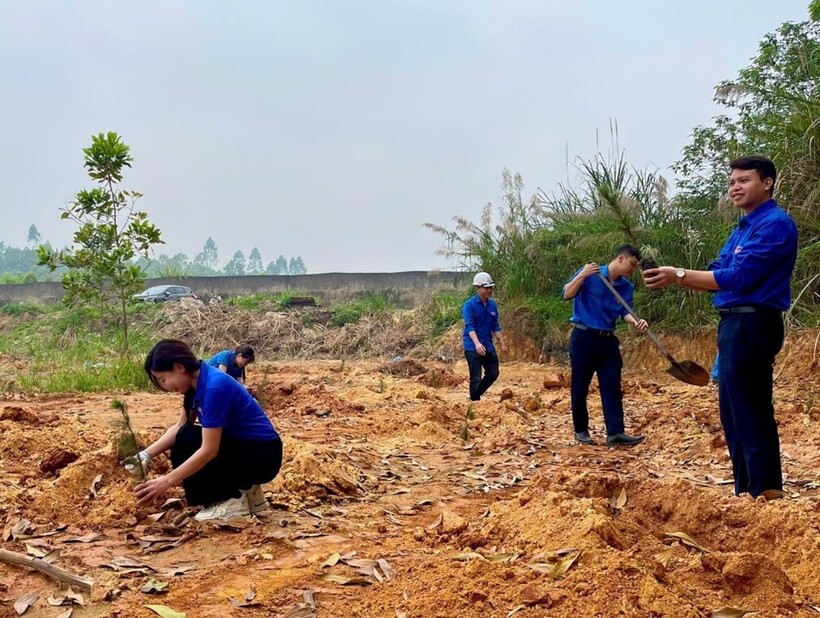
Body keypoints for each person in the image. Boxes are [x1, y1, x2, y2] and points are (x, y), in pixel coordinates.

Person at [643, 155, 797, 499]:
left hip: (753, 322)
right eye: (731, 182)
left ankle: (765, 492)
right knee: (733, 413)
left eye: (744, 180)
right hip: (733, 324)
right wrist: (678, 275)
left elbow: (737, 276)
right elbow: (719, 268)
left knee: (750, 410)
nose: (735, 188)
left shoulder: (775, 224)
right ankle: (747, 493)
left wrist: (679, 275)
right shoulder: (741, 229)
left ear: (767, 183)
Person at [130, 339, 283, 521]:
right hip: (253, 450)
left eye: (164, 379)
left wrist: (166, 481)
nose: (166, 386)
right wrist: (144, 456)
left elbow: (209, 451)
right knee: (185, 435)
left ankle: (228, 501)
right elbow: (179, 427)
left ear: (179, 367)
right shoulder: (197, 383)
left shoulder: (214, 387)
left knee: (187, 443)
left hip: (262, 457)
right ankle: (248, 492)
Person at [562, 245, 649, 446]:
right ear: (620, 258)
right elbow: (567, 293)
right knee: (580, 385)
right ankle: (581, 430)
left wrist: (636, 321)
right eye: (632, 264)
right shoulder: (591, 273)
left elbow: (625, 312)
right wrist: (582, 275)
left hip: (607, 340)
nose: (632, 270)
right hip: (583, 337)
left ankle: (615, 433)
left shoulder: (626, 287)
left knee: (612, 385)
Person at [462, 272, 507, 401]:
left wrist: (502, 343)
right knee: (475, 376)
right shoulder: (469, 306)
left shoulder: (492, 305)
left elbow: (495, 325)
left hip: (487, 344)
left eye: (490, 287)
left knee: (493, 373)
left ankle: (475, 394)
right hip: (472, 345)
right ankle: (475, 401)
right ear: (477, 288)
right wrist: (477, 344)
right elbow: (469, 326)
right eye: (486, 288)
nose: (489, 290)